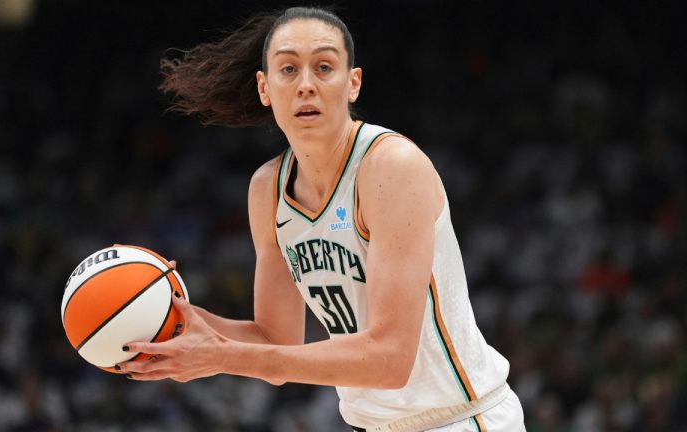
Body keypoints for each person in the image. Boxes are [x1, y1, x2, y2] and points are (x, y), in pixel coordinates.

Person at [116, 7, 525, 432]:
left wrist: (223, 355)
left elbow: (389, 360)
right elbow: (274, 347)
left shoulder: (390, 167)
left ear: (353, 83)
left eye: (324, 67)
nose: (306, 85)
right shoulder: (268, 189)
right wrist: (175, 321)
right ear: (264, 88)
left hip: (463, 419)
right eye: (288, 69)